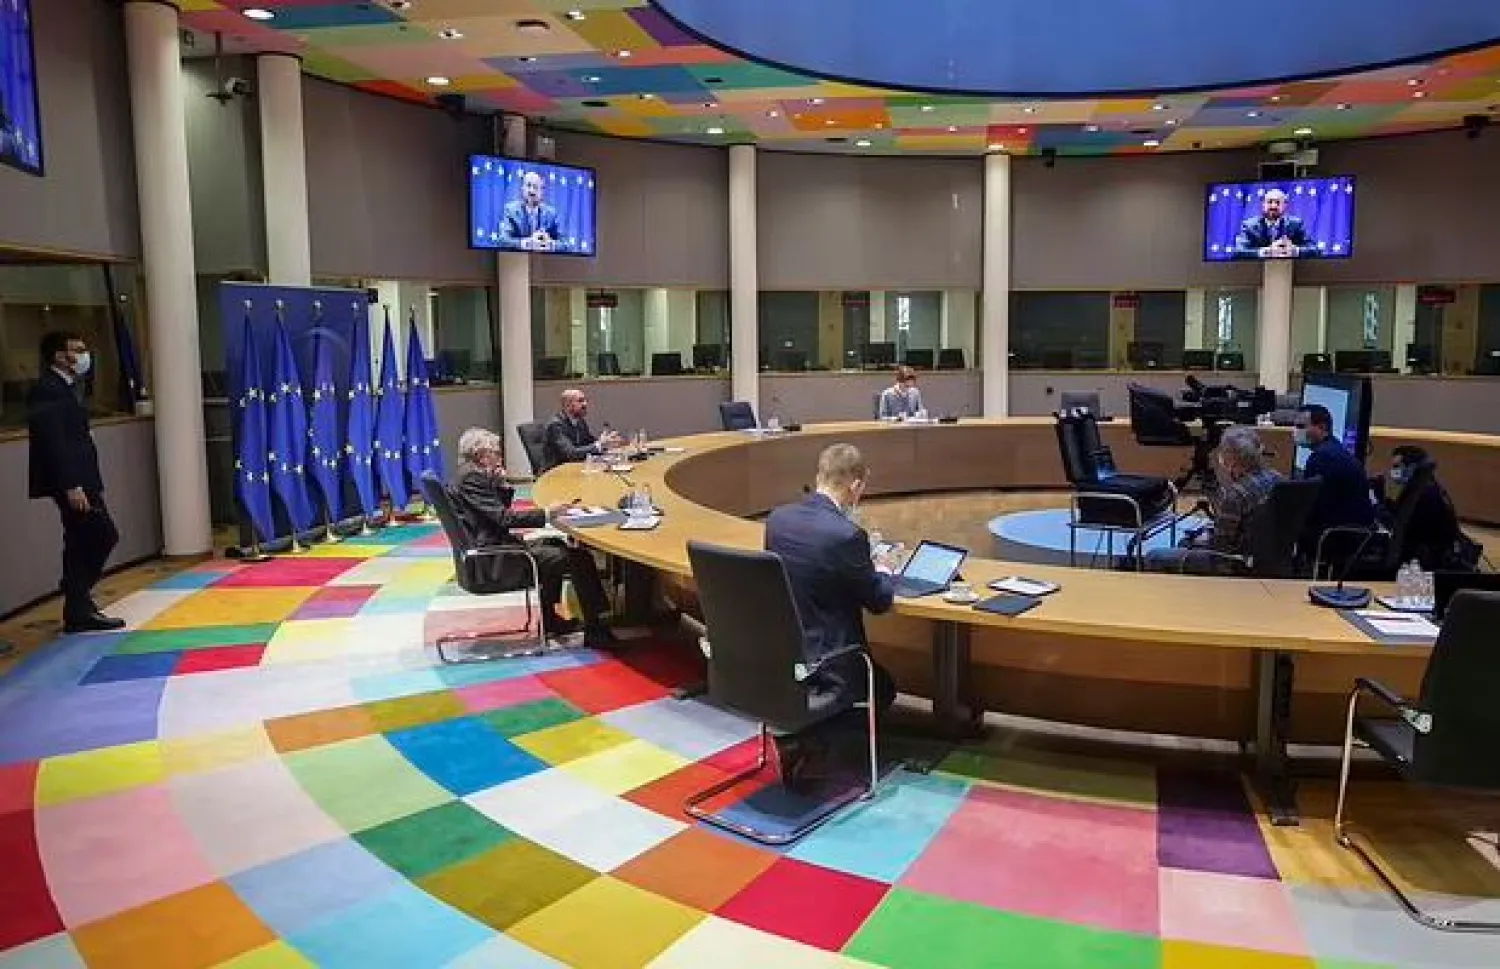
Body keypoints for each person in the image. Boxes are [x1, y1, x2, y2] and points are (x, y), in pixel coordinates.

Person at [763, 444, 898, 783]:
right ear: (855, 487)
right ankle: (814, 742)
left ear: (819, 477)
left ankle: (801, 738)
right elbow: (879, 602)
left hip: (782, 658)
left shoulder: (778, 521)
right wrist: (883, 569)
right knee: (883, 688)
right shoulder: (847, 535)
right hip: (831, 663)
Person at [449, 428, 616, 646]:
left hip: (493, 550)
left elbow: (494, 514)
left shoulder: (470, 474)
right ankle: (597, 630)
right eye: (496, 453)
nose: (500, 458)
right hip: (493, 561)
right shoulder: (472, 478)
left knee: (555, 544)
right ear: (481, 455)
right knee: (579, 559)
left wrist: (502, 485)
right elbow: (504, 519)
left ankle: (550, 621)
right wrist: (548, 513)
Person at [28, 332, 125, 633]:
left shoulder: (68, 387)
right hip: (73, 482)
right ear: (60, 356)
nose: (84, 355)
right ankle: (76, 594)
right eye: (77, 350)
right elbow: (54, 441)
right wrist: (71, 484)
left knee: (80, 539)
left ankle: (77, 605)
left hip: (82, 477)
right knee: (102, 533)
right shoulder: (49, 389)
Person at [1144, 427, 1281, 575]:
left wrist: (1202, 538)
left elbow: (1220, 546)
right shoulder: (1278, 479)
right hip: (1268, 556)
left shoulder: (1236, 494)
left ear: (1232, 459)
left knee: (1155, 556)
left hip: (1234, 563)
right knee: (1185, 543)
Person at [1378, 446, 1480, 572]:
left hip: (1427, 567)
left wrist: (1378, 509)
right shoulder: (1425, 486)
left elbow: (1401, 528)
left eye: (1397, 467)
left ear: (1412, 467)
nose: (1393, 472)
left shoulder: (1423, 495)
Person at [1296, 404, 1375, 563]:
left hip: (1336, 536)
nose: (1296, 431)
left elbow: (1311, 507)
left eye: (1301, 426)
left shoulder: (1322, 458)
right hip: (1354, 531)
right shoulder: (1335, 449)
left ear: (1322, 427)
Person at [541, 388, 622, 472]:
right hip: (555, 474)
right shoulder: (556, 425)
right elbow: (571, 454)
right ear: (567, 405)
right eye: (580, 401)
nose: (585, 404)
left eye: (585, 400)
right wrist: (600, 444)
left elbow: (590, 442)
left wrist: (607, 443)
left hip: (574, 470)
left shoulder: (580, 422)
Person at [1234, 188, 1311, 259]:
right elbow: (1238, 251)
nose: (1273, 206)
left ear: (1285, 206)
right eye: (1270, 202)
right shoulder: (1249, 225)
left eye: (1278, 203)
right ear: (1263, 204)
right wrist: (1268, 251)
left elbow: (1315, 250)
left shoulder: (1295, 224)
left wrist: (1294, 251)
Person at [500, 171, 561, 252]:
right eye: (528, 185)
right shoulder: (510, 210)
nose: (531, 190)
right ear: (522, 188)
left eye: (535, 187)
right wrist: (528, 243)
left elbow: (565, 244)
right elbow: (503, 240)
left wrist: (549, 244)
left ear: (542, 191)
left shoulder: (551, 213)